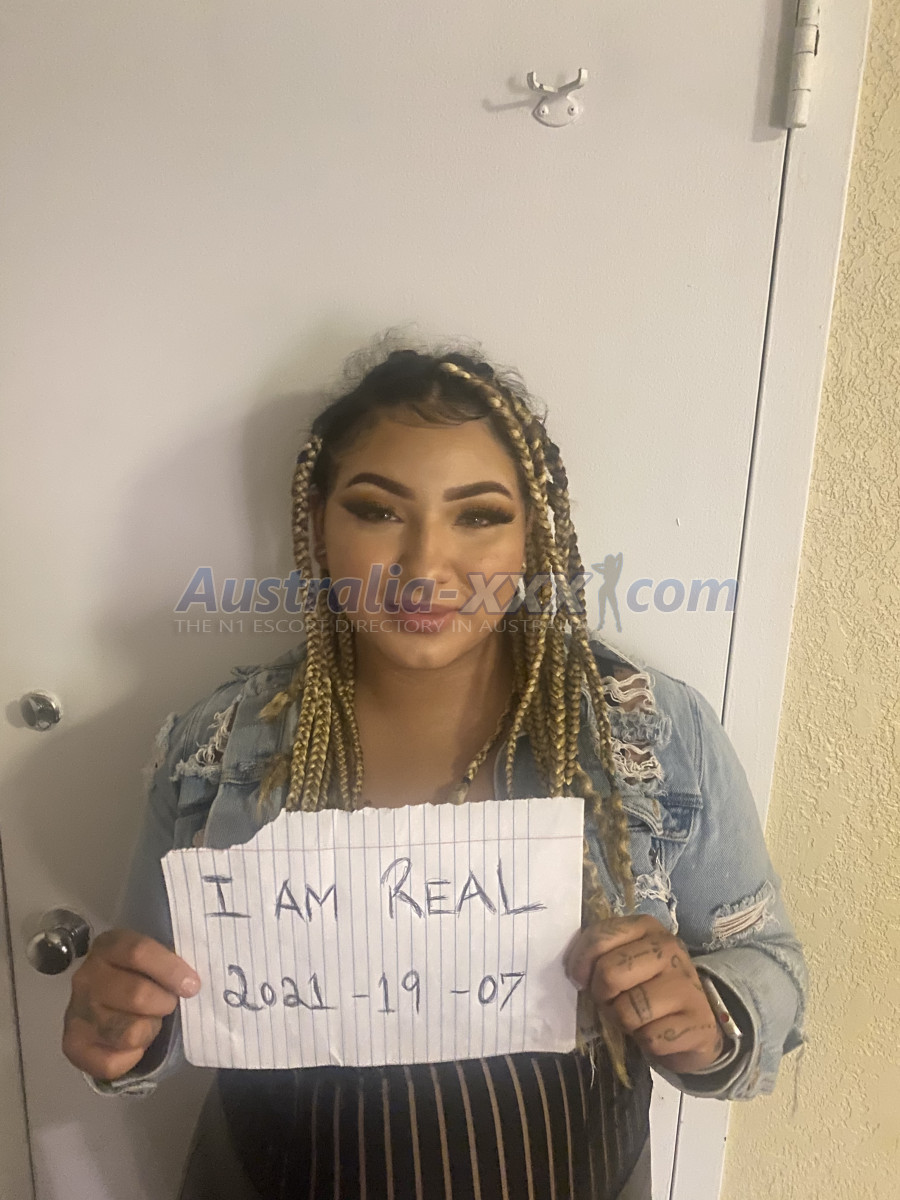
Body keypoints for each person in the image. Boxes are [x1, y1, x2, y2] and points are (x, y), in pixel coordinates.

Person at [62, 338, 808, 1199]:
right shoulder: (218, 747)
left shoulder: (648, 732)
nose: (423, 569)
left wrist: (709, 1019)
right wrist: (123, 1031)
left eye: (478, 515)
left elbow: (768, 961)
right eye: (378, 510)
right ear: (319, 522)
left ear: (533, 533)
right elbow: (151, 995)